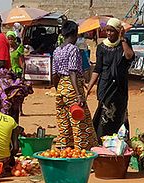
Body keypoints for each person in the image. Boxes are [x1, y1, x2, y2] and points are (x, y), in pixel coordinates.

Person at [52, 20, 97, 149]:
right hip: (72, 87)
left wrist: (59, 89)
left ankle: (65, 149)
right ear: (75, 33)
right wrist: (78, 94)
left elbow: (54, 74)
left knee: (64, 121)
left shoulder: (57, 50)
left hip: (61, 87)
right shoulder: (73, 49)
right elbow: (72, 72)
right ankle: (81, 152)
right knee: (80, 122)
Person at [86, 18, 134, 138]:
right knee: (104, 112)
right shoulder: (101, 47)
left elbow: (129, 56)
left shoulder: (124, 43)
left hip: (120, 86)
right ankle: (101, 138)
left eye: (112, 31)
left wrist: (123, 39)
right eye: (107, 31)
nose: (109, 33)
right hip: (105, 85)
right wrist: (89, 87)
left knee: (119, 112)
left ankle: (120, 139)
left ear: (118, 31)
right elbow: (98, 69)